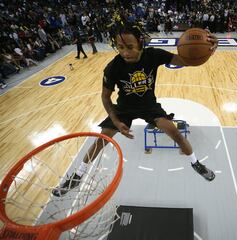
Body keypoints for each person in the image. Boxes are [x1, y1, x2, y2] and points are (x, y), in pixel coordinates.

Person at [52, 16, 218, 197]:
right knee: (101, 139)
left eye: (129, 47)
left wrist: (208, 50)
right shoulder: (113, 67)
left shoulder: (153, 55)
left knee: (175, 132)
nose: (125, 52)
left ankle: (195, 163)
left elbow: (185, 60)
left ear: (140, 43)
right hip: (124, 108)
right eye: (120, 47)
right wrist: (115, 120)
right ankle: (77, 175)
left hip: (149, 106)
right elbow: (106, 98)